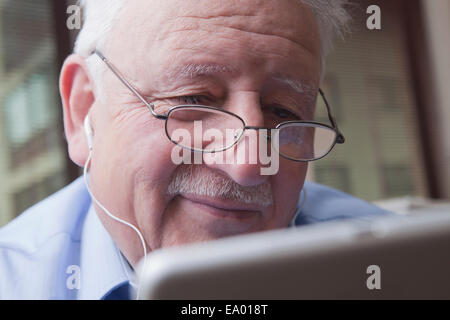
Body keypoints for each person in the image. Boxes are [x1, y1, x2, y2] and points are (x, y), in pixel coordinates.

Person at [0, 0, 388, 299]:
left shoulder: (397, 263)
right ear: (85, 110)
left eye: (283, 111)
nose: (249, 163)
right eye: (194, 99)